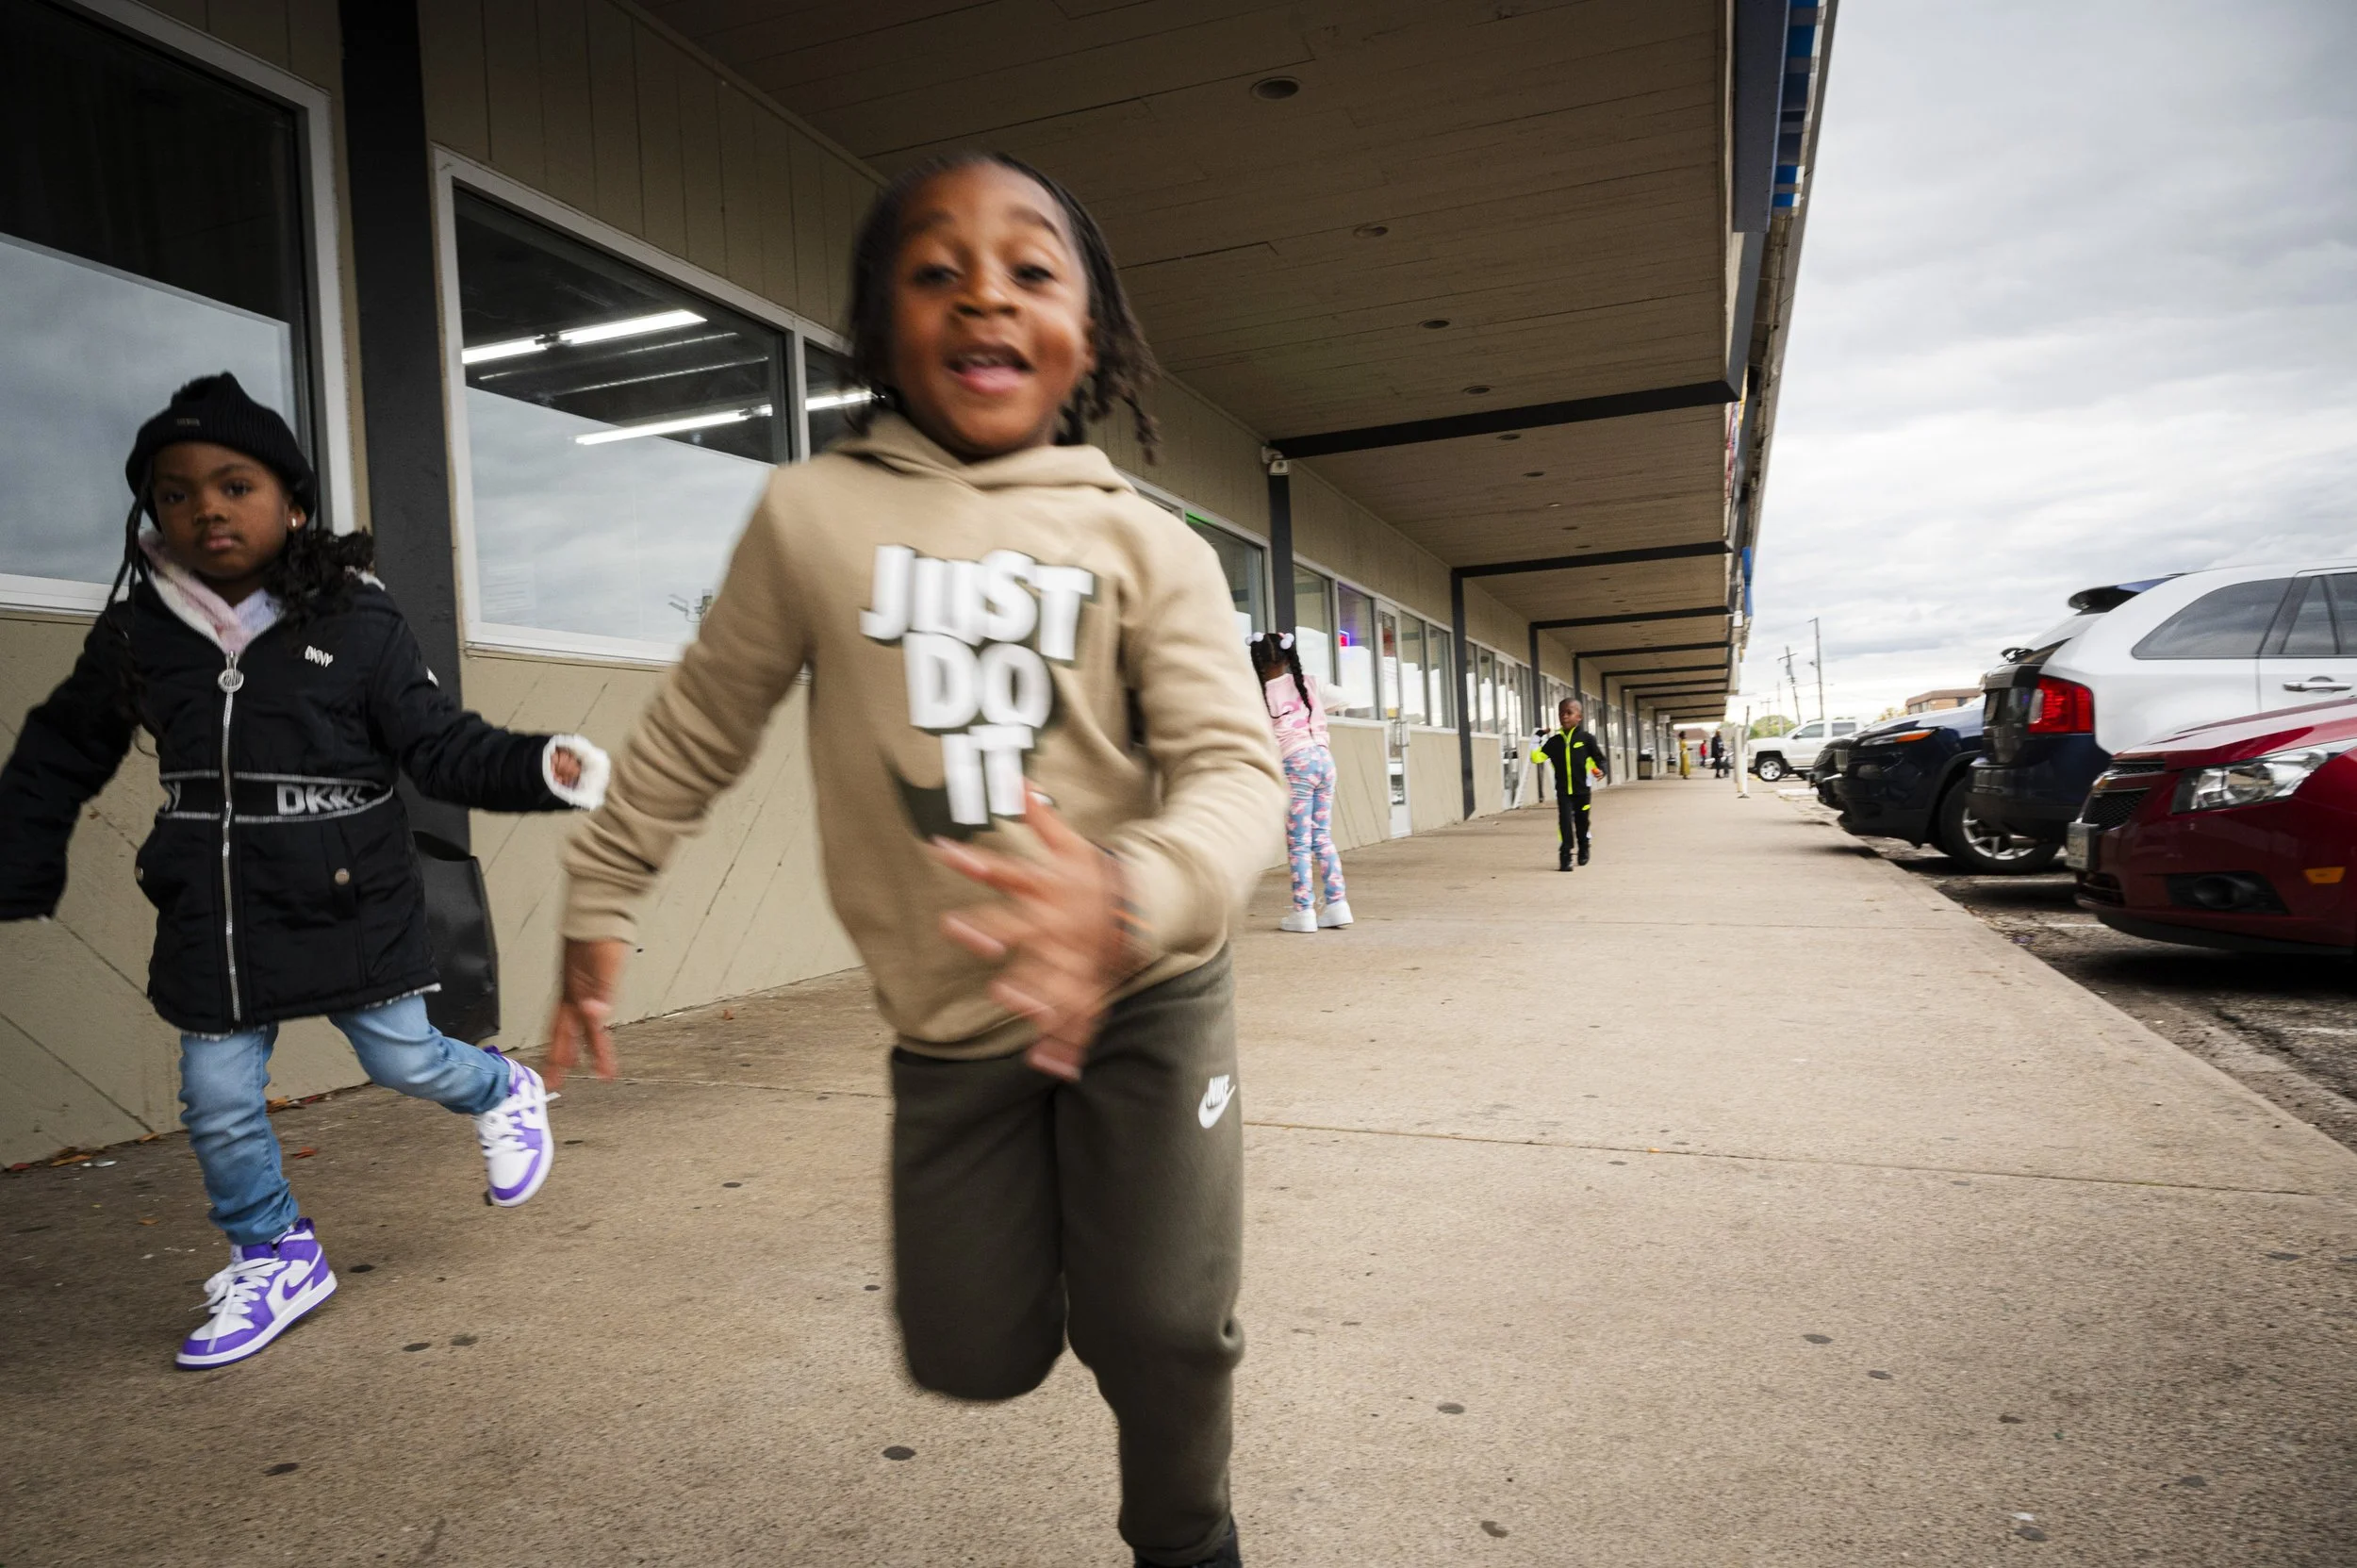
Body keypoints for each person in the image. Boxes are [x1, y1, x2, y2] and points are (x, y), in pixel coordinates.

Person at [544, 153, 1285, 1568]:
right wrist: (603, 889)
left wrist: (1130, 894)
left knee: (1166, 1324)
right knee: (972, 1351)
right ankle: (1064, 1252)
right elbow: (701, 721)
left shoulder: (1147, 543)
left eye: (1029, 267)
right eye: (936, 270)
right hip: (951, 1022)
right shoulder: (813, 519)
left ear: (1093, 330)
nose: (983, 293)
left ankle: (1189, 1538)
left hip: (1149, 992)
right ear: (880, 327)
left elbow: (1235, 772)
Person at [0, 373, 610, 1368]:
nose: (205, 507)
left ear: (292, 502)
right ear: (151, 510)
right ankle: (275, 1251)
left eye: (234, 484)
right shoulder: (137, 631)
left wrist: (540, 765)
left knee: (402, 1057)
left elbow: (439, 745)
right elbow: (63, 747)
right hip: (214, 900)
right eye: (175, 491)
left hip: (345, 886)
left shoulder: (357, 624)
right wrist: (19, 859)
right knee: (219, 1093)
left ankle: (500, 1090)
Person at [1248, 631, 1350, 933]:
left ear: (1259, 663)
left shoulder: (1262, 694)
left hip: (1296, 764)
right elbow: (1345, 697)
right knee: (1322, 836)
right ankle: (1337, 905)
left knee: (1299, 843)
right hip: (1323, 760)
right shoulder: (1309, 683)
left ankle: (1303, 911)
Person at [1529, 698, 1608, 870]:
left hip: (1582, 791)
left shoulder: (1587, 739)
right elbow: (1536, 758)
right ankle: (1565, 855)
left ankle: (1584, 846)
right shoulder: (1554, 742)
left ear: (1579, 716)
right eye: (1561, 713)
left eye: (1569, 713)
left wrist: (1601, 770)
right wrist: (1537, 738)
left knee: (1582, 822)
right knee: (1564, 822)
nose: (1564, 717)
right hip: (1564, 791)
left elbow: (1600, 760)